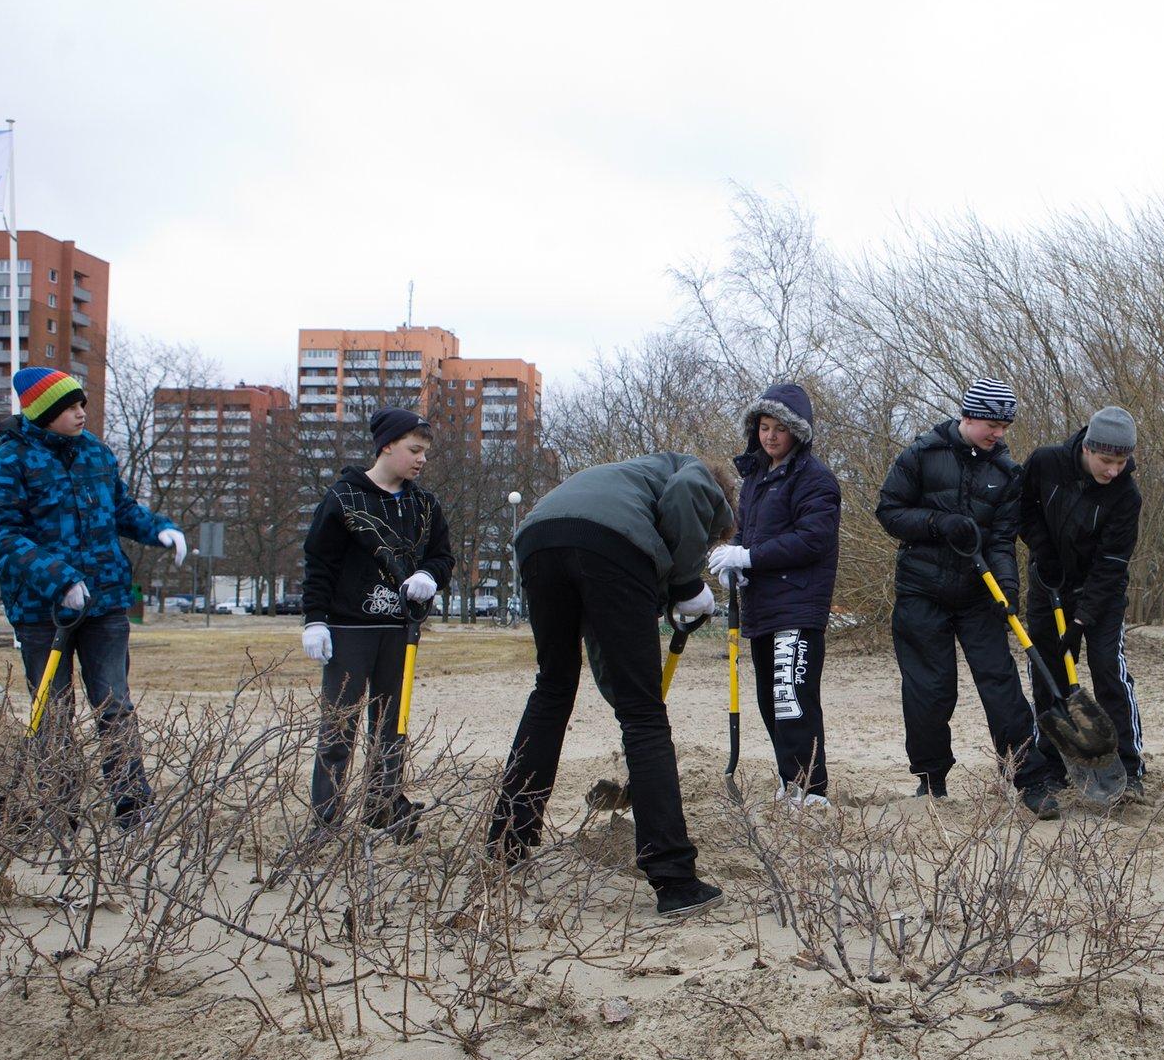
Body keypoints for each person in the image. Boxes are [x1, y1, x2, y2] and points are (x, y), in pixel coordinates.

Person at [489, 451, 731, 918]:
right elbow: (688, 497)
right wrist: (686, 584)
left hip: (538, 541)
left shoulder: (626, 482)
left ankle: (507, 844)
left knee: (553, 689)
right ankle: (674, 879)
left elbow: (604, 643)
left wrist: (626, 694)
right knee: (645, 715)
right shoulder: (700, 476)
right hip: (605, 547)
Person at [0, 368, 187, 826]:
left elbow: (120, 508)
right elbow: (2, 533)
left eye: (82, 404)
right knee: (53, 711)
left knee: (115, 705)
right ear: (44, 413)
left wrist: (158, 528)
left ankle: (132, 805)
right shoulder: (9, 461)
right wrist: (58, 578)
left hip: (104, 604)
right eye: (71, 407)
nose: (82, 413)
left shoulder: (96, 453)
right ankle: (60, 809)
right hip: (42, 611)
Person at [873, 378, 1033, 798]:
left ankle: (1023, 776)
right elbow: (889, 511)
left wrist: (1008, 587)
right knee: (930, 689)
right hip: (921, 591)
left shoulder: (1008, 473)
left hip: (979, 596)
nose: (998, 433)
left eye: (1005, 426)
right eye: (991, 424)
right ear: (968, 415)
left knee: (1002, 685)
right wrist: (937, 523)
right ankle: (931, 781)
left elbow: (1001, 540)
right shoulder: (921, 454)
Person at [299, 408, 454, 836]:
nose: (421, 459)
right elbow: (320, 562)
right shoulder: (344, 499)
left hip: (401, 632)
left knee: (392, 727)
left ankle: (383, 807)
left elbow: (443, 556)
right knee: (339, 729)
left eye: (425, 452)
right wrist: (315, 620)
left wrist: (430, 575)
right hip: (350, 630)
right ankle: (325, 821)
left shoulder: (425, 505)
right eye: (414, 450)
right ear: (387, 445)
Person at [708, 383, 841, 807]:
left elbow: (812, 540)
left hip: (798, 607)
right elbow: (745, 534)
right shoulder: (755, 480)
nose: (770, 436)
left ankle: (811, 789)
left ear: (797, 433)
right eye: (764, 427)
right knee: (770, 700)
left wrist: (748, 556)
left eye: (779, 429)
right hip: (762, 607)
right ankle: (790, 781)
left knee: (793, 699)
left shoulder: (815, 479)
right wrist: (734, 567)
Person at [1010, 406, 1145, 818]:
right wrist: (1043, 548)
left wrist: (1082, 619)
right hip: (1048, 584)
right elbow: (1021, 506)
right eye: (1107, 461)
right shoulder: (1047, 462)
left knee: (1107, 668)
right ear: (1087, 448)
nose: (1114, 471)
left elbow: (1112, 564)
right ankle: (1052, 764)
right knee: (1047, 673)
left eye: (1121, 463)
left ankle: (1129, 763)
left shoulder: (1126, 495)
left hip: (1100, 594)